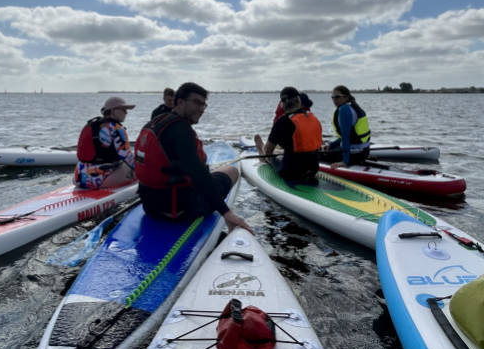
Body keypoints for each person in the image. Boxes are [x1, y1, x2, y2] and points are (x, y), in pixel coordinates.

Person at [135, 82, 254, 235]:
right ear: (180, 102)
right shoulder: (181, 129)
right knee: (231, 170)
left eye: (204, 105)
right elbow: (199, 176)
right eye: (197, 102)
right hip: (179, 211)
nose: (201, 109)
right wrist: (227, 213)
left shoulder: (155, 122)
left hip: (150, 208)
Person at [255, 86, 323, 183]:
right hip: (313, 168)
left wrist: (267, 154)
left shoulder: (282, 121)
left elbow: (268, 150)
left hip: (291, 172)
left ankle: (260, 151)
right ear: (298, 100)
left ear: (282, 104)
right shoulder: (312, 118)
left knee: (268, 154)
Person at [74, 96, 136, 189]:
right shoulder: (117, 128)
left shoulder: (92, 124)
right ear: (113, 110)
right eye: (123, 109)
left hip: (79, 178)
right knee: (135, 168)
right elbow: (127, 157)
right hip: (102, 180)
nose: (126, 113)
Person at [322, 85, 371, 168]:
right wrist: (331, 145)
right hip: (364, 152)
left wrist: (345, 161)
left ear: (346, 97)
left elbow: (345, 136)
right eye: (332, 97)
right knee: (329, 149)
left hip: (355, 154)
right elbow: (349, 135)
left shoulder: (344, 110)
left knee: (318, 155)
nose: (334, 100)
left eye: (337, 97)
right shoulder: (353, 106)